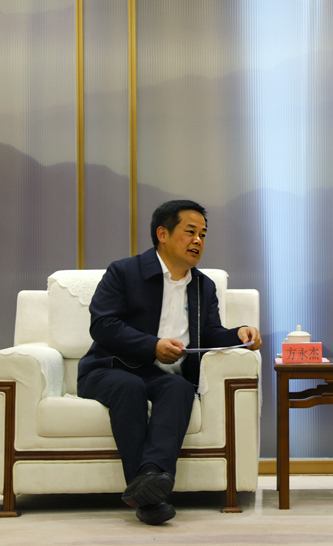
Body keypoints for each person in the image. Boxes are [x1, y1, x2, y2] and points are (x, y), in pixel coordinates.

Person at [77, 199, 262, 525]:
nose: (198, 241)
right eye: (190, 232)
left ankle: (151, 477)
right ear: (162, 234)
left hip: (161, 377)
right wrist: (152, 346)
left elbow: (209, 334)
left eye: (203, 234)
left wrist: (239, 334)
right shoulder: (124, 272)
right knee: (129, 387)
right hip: (109, 368)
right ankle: (151, 497)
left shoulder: (203, 286)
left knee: (179, 387)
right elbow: (103, 325)